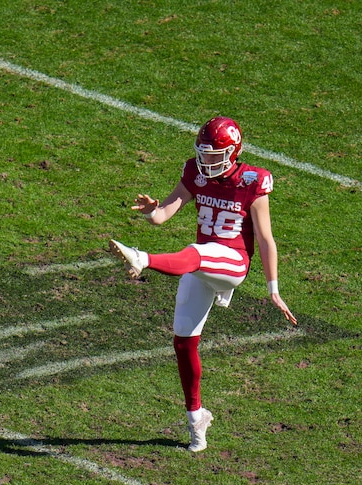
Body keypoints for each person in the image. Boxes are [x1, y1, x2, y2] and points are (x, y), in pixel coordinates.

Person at [109, 116, 297, 452]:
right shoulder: (194, 173)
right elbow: (164, 215)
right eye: (203, 153)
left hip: (232, 262)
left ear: (232, 153)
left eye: (214, 155)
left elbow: (266, 239)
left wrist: (273, 288)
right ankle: (197, 419)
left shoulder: (253, 181)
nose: (206, 161)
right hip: (200, 264)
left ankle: (143, 259)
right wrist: (153, 210)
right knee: (183, 341)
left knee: (195, 253)